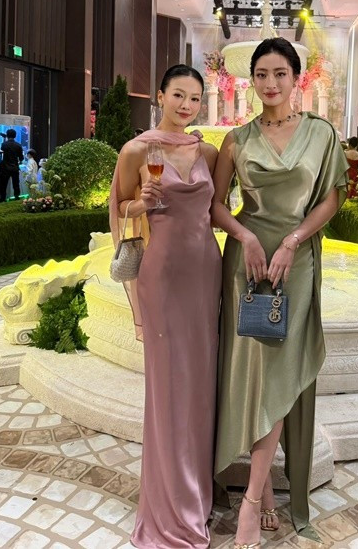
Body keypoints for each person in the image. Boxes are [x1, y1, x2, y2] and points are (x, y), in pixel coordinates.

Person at [211, 38, 348, 547]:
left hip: (297, 262)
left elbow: (331, 199)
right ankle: (264, 491)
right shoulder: (237, 140)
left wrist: (293, 240)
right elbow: (216, 206)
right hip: (245, 266)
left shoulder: (321, 133)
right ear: (252, 81)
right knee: (252, 375)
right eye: (262, 75)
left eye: (280, 74)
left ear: (296, 78)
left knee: (282, 375)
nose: (270, 84)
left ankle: (252, 500)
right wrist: (244, 236)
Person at [109, 64, 221, 549]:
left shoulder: (208, 151)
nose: (186, 106)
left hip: (206, 274)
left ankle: (196, 492)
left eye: (195, 98)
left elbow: (218, 210)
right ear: (160, 96)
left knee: (200, 384)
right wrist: (141, 203)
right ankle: (168, 505)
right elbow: (119, 207)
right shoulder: (137, 150)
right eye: (178, 95)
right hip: (162, 276)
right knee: (168, 387)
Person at [0, 129, 24, 202]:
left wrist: (4, 139)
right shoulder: (18, 145)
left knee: (3, 185)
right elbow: (21, 158)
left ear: (7, 135)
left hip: (5, 168)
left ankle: (2, 199)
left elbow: (2, 149)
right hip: (15, 167)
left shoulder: (4, 144)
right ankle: (16, 198)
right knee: (16, 185)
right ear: (15, 136)